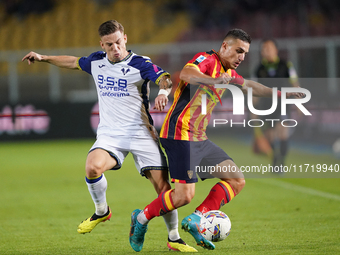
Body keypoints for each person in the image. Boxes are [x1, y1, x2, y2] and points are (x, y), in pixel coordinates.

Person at [22, 20, 196, 253]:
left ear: (125, 38)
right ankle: (102, 211)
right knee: (92, 167)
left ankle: (173, 238)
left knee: (164, 190)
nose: (115, 48)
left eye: (118, 42)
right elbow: (73, 62)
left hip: (141, 133)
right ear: (102, 45)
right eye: (109, 44)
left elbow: (163, 77)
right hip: (110, 134)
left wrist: (163, 92)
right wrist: (44, 58)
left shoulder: (139, 63)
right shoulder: (96, 61)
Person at [129, 29, 304, 251]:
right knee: (184, 196)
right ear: (224, 47)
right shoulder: (207, 60)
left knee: (237, 180)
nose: (241, 57)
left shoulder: (229, 73)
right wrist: (214, 79)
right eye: (238, 51)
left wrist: (283, 93)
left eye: (245, 53)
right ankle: (141, 219)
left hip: (199, 138)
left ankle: (197, 218)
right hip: (179, 134)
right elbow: (186, 74)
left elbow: (250, 86)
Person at [253, 39, 300, 167]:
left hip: (283, 104)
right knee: (270, 136)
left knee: (283, 133)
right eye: (264, 49)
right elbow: (254, 90)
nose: (265, 51)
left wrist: (299, 104)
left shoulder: (286, 65)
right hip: (266, 106)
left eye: (268, 48)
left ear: (276, 50)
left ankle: (282, 161)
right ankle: (275, 158)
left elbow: (294, 84)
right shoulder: (259, 69)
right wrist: (253, 108)